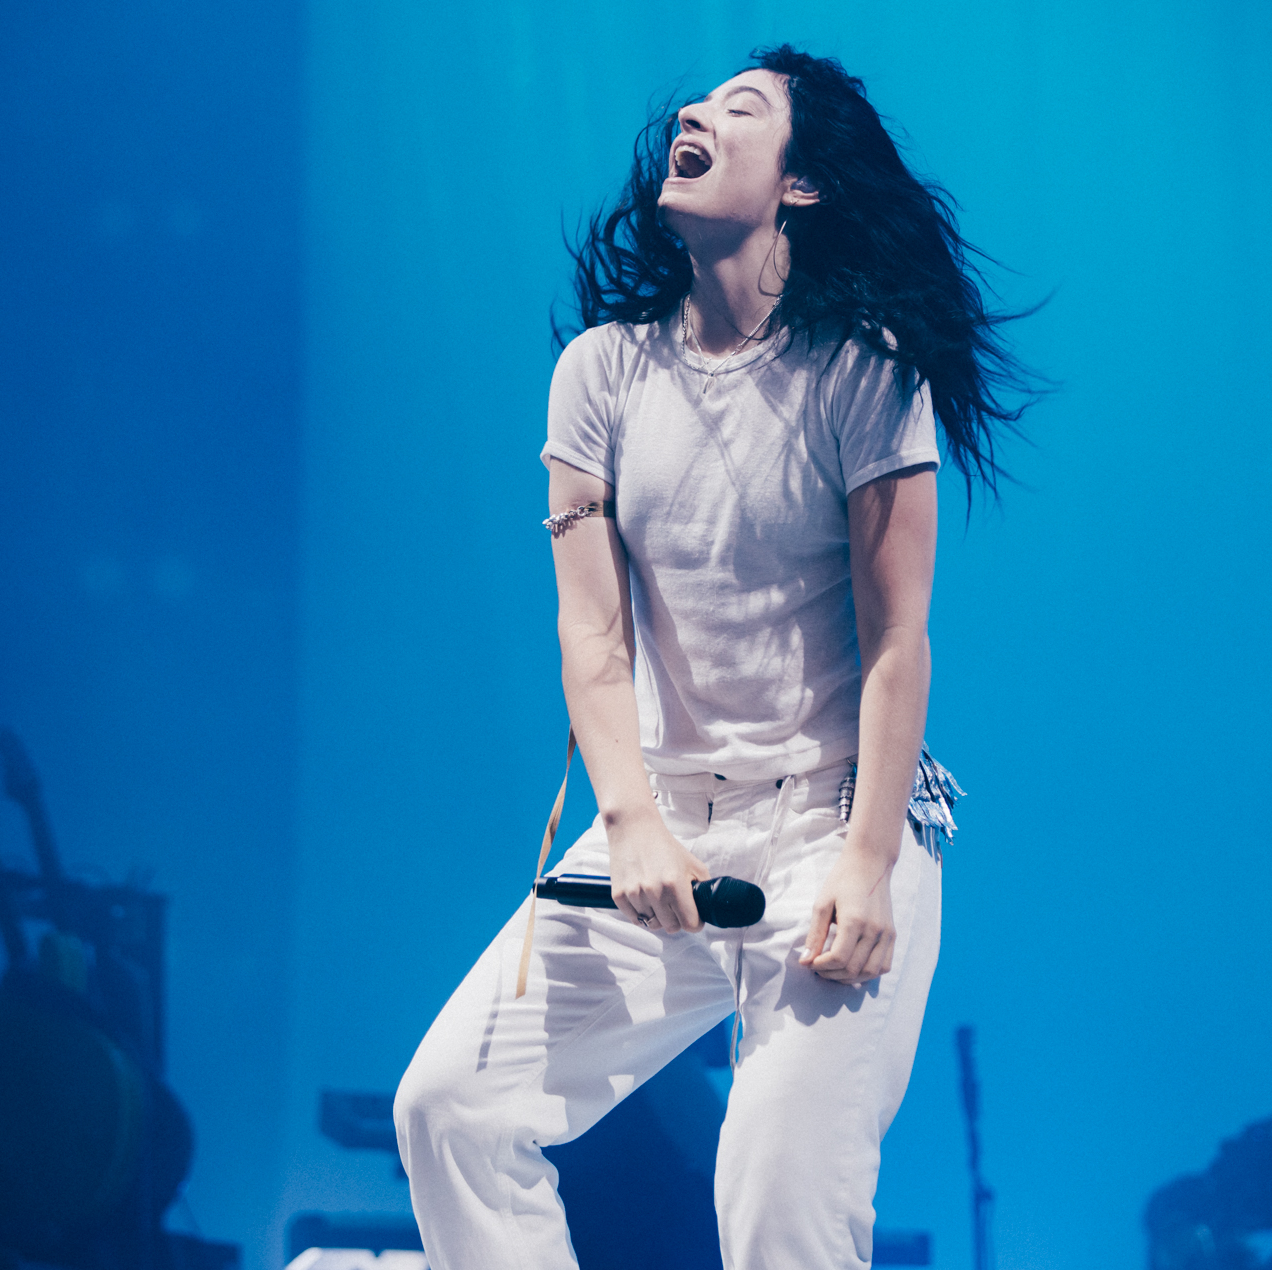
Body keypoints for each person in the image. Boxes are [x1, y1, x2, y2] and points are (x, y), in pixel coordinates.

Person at [394, 45, 1031, 1270]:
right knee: (449, 1110)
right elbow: (592, 630)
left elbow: (900, 638)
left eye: (741, 111)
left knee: (776, 1197)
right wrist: (626, 819)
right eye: (697, 104)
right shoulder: (599, 374)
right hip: (662, 827)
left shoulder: (863, 367)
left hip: (833, 826)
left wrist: (864, 860)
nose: (693, 113)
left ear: (797, 186)